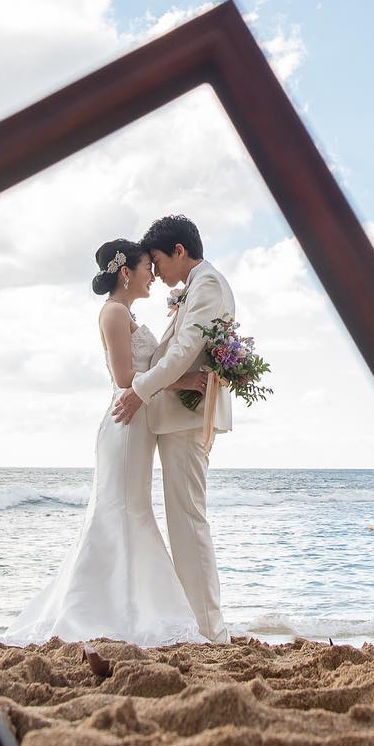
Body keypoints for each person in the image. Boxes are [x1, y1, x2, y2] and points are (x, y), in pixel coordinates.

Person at [2, 239, 206, 648]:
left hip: (139, 422)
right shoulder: (113, 312)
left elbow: (147, 370)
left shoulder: (126, 313)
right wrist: (183, 380)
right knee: (124, 513)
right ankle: (117, 613)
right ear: (126, 271)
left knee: (131, 511)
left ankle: (132, 607)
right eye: (147, 266)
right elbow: (125, 378)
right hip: (125, 425)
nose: (153, 274)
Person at [111, 214, 234, 645]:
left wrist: (139, 390)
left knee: (188, 521)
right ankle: (199, 624)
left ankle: (209, 631)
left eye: (159, 260)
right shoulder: (197, 288)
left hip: (185, 416)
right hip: (176, 414)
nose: (157, 271)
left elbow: (184, 351)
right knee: (184, 519)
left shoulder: (207, 285)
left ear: (179, 251)